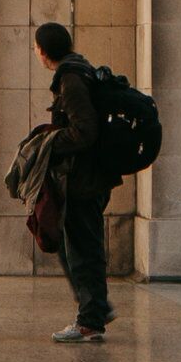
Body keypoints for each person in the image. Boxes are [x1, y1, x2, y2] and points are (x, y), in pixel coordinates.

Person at [36, 21, 115, 344]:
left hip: (83, 178)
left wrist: (51, 142)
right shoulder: (78, 71)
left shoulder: (71, 79)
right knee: (78, 247)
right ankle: (95, 308)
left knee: (81, 249)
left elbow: (85, 131)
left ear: (43, 51)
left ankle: (90, 319)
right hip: (88, 176)